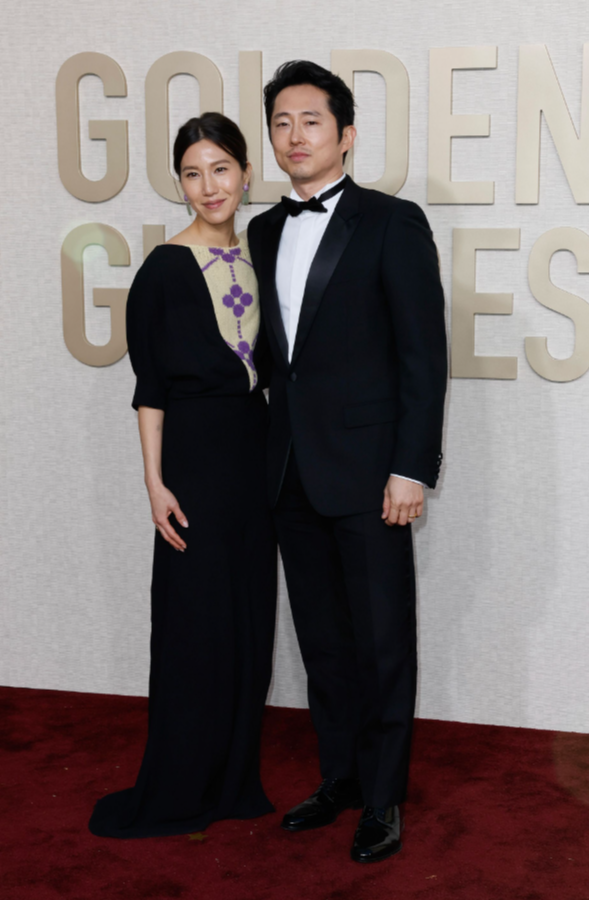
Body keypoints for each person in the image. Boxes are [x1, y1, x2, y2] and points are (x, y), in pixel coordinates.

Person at [247, 61, 447, 863]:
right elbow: (274, 360)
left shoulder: (392, 223)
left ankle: (385, 796)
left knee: (381, 639)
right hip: (290, 470)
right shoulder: (262, 231)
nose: (294, 136)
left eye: (311, 121)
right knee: (322, 642)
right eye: (281, 122)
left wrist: (411, 466)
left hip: (370, 473)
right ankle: (340, 777)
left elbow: (423, 357)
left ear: (346, 134)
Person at [89, 112, 277, 839]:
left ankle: (232, 779)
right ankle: (179, 781)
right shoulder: (163, 270)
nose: (209, 185)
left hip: (255, 457)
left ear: (245, 174)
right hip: (193, 465)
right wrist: (154, 483)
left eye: (221, 168)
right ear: (180, 184)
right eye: (193, 174)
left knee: (247, 619)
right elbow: (150, 389)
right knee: (194, 623)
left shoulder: (262, 255)